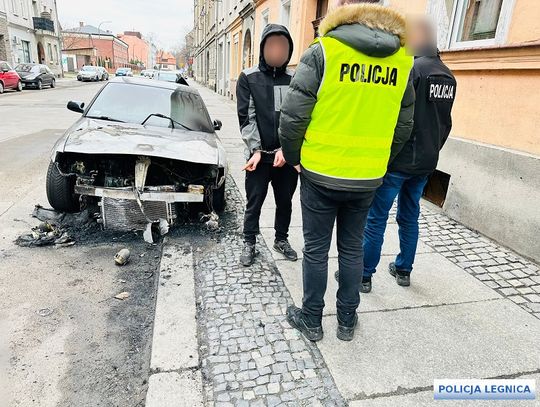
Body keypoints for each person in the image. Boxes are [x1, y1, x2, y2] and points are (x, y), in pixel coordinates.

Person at [279, 0, 415, 341]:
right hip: (367, 176)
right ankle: (347, 320)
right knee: (352, 249)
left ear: (342, 11)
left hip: (320, 172)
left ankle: (311, 319)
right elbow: (404, 125)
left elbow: (293, 117)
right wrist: (379, 161)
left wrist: (295, 157)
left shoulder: (323, 51)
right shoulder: (403, 61)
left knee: (316, 250)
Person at [361, 17, 457, 292]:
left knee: (376, 217)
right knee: (410, 215)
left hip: (399, 160)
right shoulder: (449, 76)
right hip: (426, 162)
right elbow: (446, 124)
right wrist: (432, 151)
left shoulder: (412, 69)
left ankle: (364, 276)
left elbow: (397, 116)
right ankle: (403, 270)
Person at [236, 24, 299, 267]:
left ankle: (281, 239)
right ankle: (249, 241)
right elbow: (246, 117)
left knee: (285, 201)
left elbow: (296, 117)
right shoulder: (249, 78)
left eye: (283, 45)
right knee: (255, 200)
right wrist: (256, 150)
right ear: (263, 48)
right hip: (259, 156)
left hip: (286, 157)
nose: (277, 50)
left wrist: (287, 148)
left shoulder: (295, 79)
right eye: (272, 44)